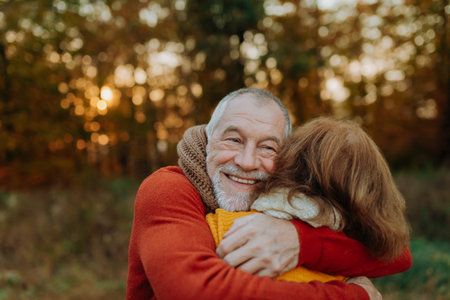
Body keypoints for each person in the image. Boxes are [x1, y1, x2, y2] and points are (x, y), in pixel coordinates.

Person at [126, 88, 412, 299]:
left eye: (267, 148)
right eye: (234, 140)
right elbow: (193, 290)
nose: (247, 161)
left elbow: (396, 255)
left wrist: (300, 242)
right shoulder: (168, 188)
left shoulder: (284, 199)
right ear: (208, 140)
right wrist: (353, 296)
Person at [206, 116, 411, 283]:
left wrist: (303, 242)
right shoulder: (352, 263)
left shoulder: (223, 227)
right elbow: (397, 255)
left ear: (287, 163)